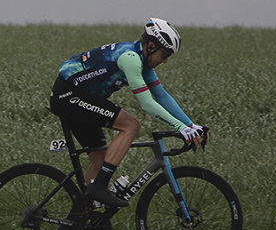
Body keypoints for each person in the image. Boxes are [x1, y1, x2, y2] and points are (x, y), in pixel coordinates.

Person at [48, 18, 206, 207]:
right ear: (150, 46)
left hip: (78, 96)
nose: (164, 61)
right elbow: (147, 104)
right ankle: (99, 187)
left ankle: (75, 222)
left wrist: (190, 125)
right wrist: (180, 128)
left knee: (100, 161)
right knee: (131, 125)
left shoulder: (143, 62)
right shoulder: (130, 58)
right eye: (164, 54)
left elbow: (161, 96)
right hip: (69, 95)